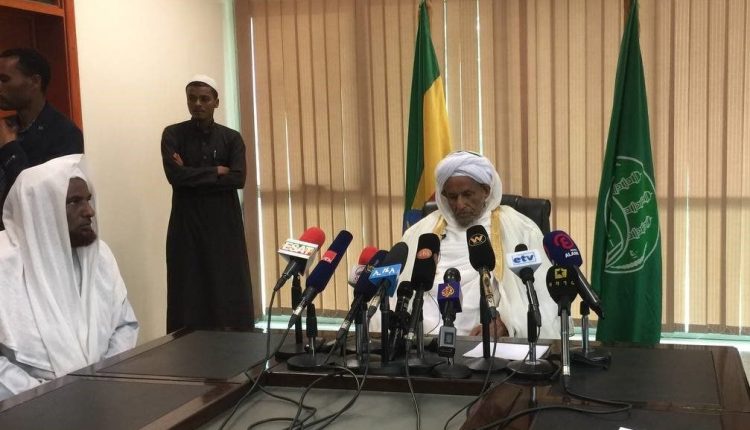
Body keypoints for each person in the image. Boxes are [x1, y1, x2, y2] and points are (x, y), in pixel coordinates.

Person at [0, 154, 138, 401]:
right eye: (74, 201)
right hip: (27, 408)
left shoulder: (99, 255)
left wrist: (104, 380)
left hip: (102, 398)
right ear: (41, 208)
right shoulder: (4, 265)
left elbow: (124, 325)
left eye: (88, 199)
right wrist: (47, 397)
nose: (89, 211)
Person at [399, 150, 561, 339]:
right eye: (452, 197)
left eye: (467, 194)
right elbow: (397, 292)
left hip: (487, 344)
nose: (460, 204)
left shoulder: (520, 227)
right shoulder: (420, 232)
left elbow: (542, 295)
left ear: (486, 190)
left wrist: (505, 323)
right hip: (420, 341)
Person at [161, 74, 254, 333]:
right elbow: (175, 177)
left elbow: (238, 178)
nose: (198, 104)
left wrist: (190, 173)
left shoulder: (231, 138)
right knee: (188, 289)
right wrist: (216, 171)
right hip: (187, 225)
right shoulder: (173, 134)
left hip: (224, 226)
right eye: (192, 99)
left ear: (216, 102)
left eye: (204, 99)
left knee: (226, 289)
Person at [0, 48, 84, 226]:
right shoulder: (5, 127)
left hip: (38, 234)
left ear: (34, 82)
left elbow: (43, 198)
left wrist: (10, 149)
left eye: (4, 80)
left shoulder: (64, 134)